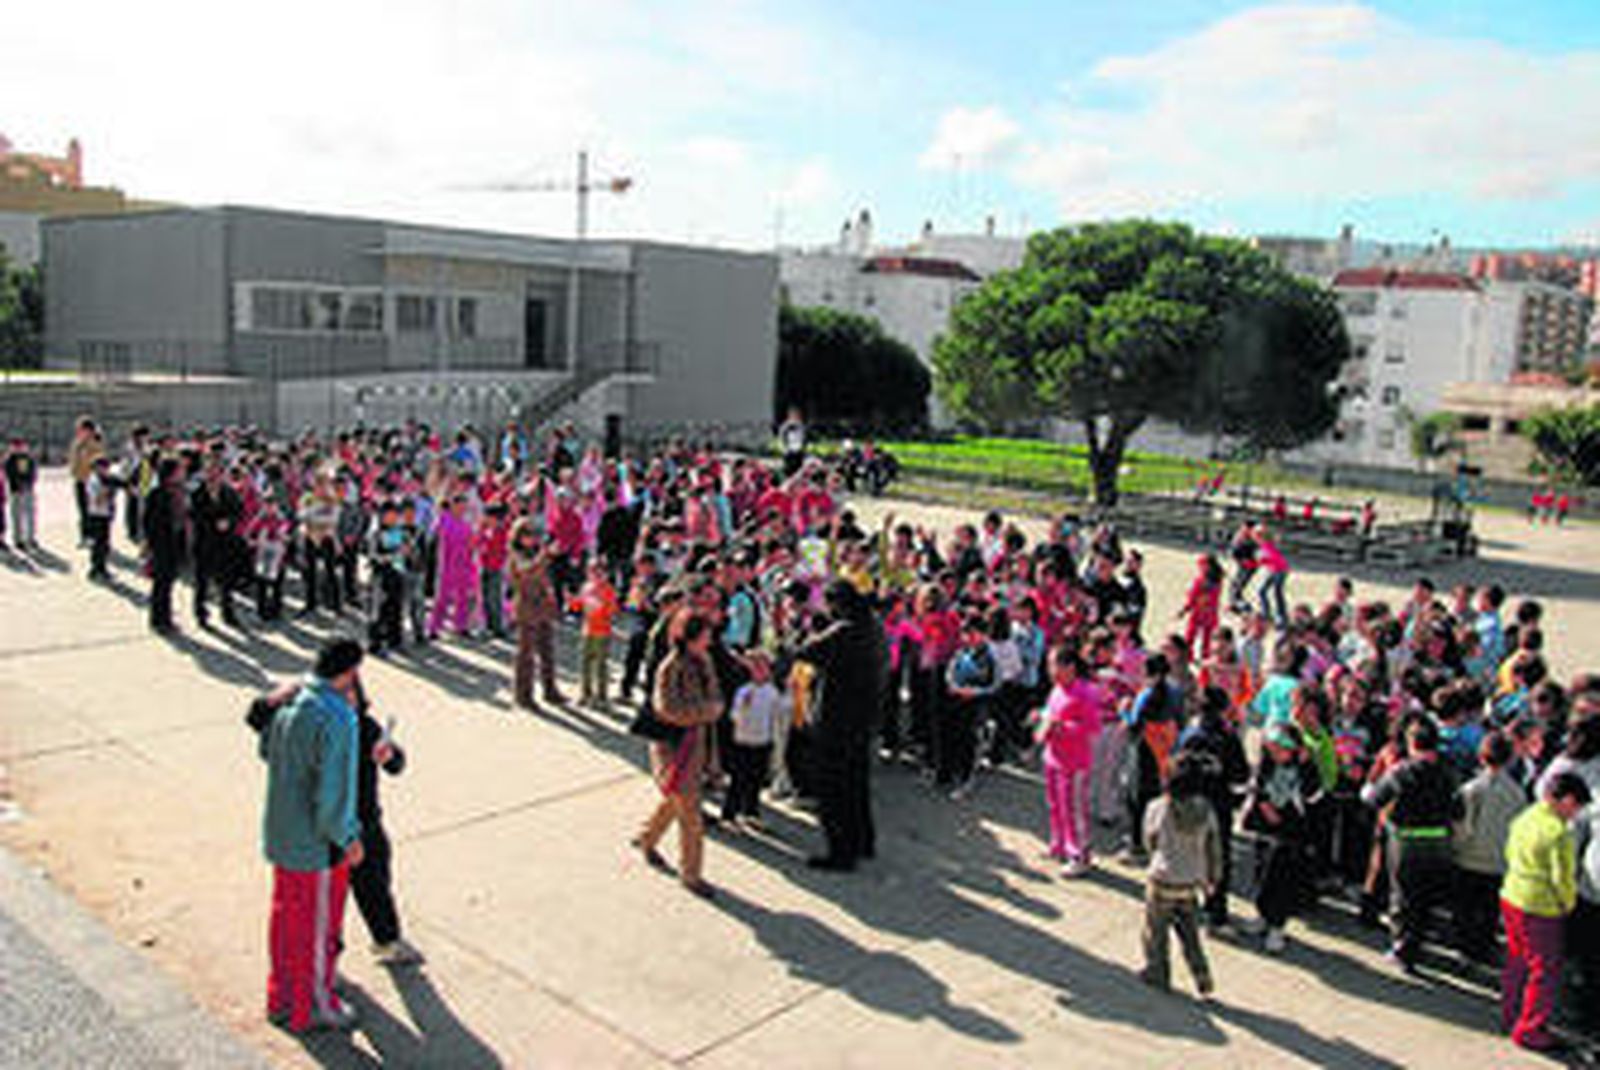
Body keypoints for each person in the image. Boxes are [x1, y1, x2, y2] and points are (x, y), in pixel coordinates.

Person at [259, 639, 366, 1033]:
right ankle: (315, 1004)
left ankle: (281, 996)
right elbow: (333, 792)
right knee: (317, 929)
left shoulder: (291, 701)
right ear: (349, 673)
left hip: (281, 832)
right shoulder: (337, 716)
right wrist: (348, 836)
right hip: (315, 844)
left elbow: (267, 751)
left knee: (284, 921)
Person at [1362, 717, 1465, 972]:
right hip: (1439, 840)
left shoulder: (1401, 772)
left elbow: (1374, 799)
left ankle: (1403, 949)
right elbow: (1459, 810)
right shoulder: (1449, 772)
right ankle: (1419, 942)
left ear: (1411, 744)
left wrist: (1368, 788)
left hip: (1407, 841)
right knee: (1426, 895)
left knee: (1404, 896)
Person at [795, 580, 885, 871]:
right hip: (863, 719)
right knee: (857, 785)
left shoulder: (843, 631)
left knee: (833, 790)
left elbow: (804, 650)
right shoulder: (872, 625)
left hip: (837, 722)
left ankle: (841, 852)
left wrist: (811, 628)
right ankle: (863, 842)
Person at [633, 611, 723, 898]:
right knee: (690, 813)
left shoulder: (704, 660)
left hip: (698, 744)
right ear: (690, 638)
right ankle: (691, 874)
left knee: (675, 801)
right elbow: (667, 709)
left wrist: (712, 708)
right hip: (674, 748)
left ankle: (647, 839)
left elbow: (715, 694)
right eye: (705, 635)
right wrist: (705, 712)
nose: (710, 640)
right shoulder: (670, 668)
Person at [1499, 772, 1591, 1052]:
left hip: (1512, 895)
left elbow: (1509, 852)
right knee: (1545, 970)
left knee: (1517, 959)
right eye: (1576, 806)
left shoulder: (1526, 816)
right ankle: (1529, 1029)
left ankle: (1511, 1014)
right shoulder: (1559, 833)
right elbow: (1563, 878)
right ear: (1567, 800)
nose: (1575, 813)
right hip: (1540, 906)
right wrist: (1568, 904)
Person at [1140, 751, 1221, 997]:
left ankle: (1157, 972)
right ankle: (1201, 973)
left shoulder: (1158, 807)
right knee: (1189, 931)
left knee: (1155, 931)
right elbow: (1213, 848)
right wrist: (1212, 877)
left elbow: (1150, 839)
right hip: (1192, 879)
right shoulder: (1207, 811)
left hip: (1163, 877)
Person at [1452, 730, 1525, 965]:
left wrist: (1456, 848)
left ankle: (1465, 949)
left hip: (1469, 858)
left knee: (1466, 907)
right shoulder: (1517, 793)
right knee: (1489, 910)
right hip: (1499, 861)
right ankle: (1484, 947)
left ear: (1481, 757)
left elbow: (1462, 826)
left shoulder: (1471, 789)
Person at [1037, 646, 1103, 877]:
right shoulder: (1057, 689)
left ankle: (1080, 855)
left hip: (1074, 761)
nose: (1050, 670)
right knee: (1055, 805)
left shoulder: (1086, 692)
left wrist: (1061, 727)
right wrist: (1042, 719)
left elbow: (1092, 727)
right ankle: (1059, 844)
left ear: (1070, 667)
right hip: (1053, 756)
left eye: (1054, 665)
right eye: (1049, 665)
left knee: (1073, 809)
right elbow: (1049, 711)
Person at [722, 652, 784, 828]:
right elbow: (734, 716)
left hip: (762, 741)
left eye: (764, 668)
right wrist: (743, 707)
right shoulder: (744, 691)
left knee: (756, 780)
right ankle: (729, 814)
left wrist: (775, 742)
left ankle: (751, 812)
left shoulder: (773, 693)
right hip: (742, 740)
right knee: (738, 779)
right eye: (756, 668)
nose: (760, 672)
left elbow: (777, 717)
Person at [508, 519, 562, 710]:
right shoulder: (516, 555)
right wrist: (545, 555)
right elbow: (527, 571)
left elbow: (544, 577)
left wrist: (551, 597)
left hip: (542, 603)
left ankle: (550, 689)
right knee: (526, 654)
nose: (532, 539)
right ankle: (523, 695)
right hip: (526, 605)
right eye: (527, 535)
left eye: (534, 535)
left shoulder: (535, 553)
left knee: (547, 649)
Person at [190, 458, 244, 628]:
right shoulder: (196, 493)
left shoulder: (229, 492)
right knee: (202, 581)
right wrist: (213, 523)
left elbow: (239, 512)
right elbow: (194, 516)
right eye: (210, 473)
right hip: (204, 542)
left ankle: (228, 612)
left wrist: (229, 522)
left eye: (217, 473)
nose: (213, 477)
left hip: (225, 543)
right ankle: (201, 613)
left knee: (227, 580)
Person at [572, 557, 621, 709]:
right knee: (585, 663)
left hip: (602, 631)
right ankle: (585, 693)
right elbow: (578, 606)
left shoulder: (609, 590)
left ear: (606, 574)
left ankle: (602, 696)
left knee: (601, 664)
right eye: (592, 571)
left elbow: (613, 611)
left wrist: (602, 607)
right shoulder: (586, 587)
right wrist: (572, 601)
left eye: (600, 572)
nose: (596, 576)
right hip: (587, 629)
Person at [4, 436, 39, 551]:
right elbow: (9, 475)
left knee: (30, 514)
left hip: (28, 489)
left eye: (21, 446)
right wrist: (17, 484)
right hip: (15, 490)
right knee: (16, 515)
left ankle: (30, 537)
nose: (19, 448)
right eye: (16, 446)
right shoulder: (9, 460)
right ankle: (18, 539)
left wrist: (29, 483)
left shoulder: (29, 459)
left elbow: (33, 473)